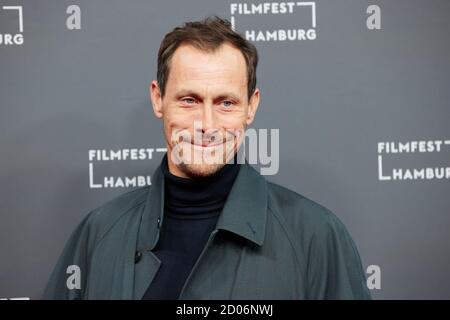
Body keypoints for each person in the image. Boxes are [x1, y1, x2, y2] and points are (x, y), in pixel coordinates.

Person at [43, 16, 371, 300]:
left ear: (251, 107)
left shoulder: (317, 236)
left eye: (225, 102)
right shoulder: (99, 233)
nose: (207, 124)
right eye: (189, 100)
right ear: (158, 99)